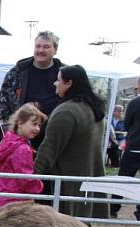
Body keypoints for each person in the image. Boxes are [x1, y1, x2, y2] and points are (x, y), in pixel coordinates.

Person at [34, 64, 108, 218]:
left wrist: (31, 177)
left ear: (69, 83)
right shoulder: (93, 109)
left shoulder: (66, 111)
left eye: (58, 80)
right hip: (86, 183)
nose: (55, 83)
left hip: (66, 185)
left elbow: (49, 149)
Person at [0, 31, 63, 148]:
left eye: (46, 47)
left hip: (53, 135)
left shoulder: (64, 74)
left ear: (55, 50)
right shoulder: (17, 72)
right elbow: (2, 104)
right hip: (21, 136)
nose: (41, 50)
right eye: (38, 46)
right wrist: (12, 130)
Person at [0, 103, 46, 209]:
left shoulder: (6, 141)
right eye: (34, 124)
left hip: (0, 199)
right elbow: (26, 178)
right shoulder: (23, 149)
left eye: (39, 125)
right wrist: (39, 186)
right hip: (16, 203)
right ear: (20, 123)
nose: (37, 129)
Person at [115, 73, 140, 221]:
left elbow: (127, 124)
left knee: (123, 179)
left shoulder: (136, 103)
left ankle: (113, 207)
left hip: (135, 147)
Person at [106, 104, 126, 168]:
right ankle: (115, 163)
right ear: (114, 111)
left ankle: (116, 163)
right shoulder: (108, 119)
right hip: (109, 139)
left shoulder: (124, 121)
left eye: (122, 111)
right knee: (110, 145)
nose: (121, 112)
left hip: (120, 139)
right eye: (119, 111)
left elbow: (124, 131)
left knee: (116, 146)